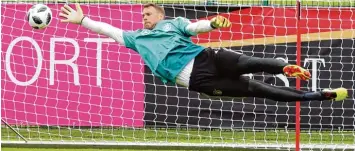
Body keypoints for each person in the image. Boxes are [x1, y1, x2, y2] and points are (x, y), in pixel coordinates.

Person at [59, 3, 348, 102]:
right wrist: (82, 20)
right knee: (258, 89)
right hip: (198, 81)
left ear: (159, 15)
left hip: (206, 57)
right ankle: (318, 95)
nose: (144, 18)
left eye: (148, 14)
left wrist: (212, 23)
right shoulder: (135, 38)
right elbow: (107, 29)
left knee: (251, 61)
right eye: (143, 14)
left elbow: (196, 27)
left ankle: (284, 67)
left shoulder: (174, 24)